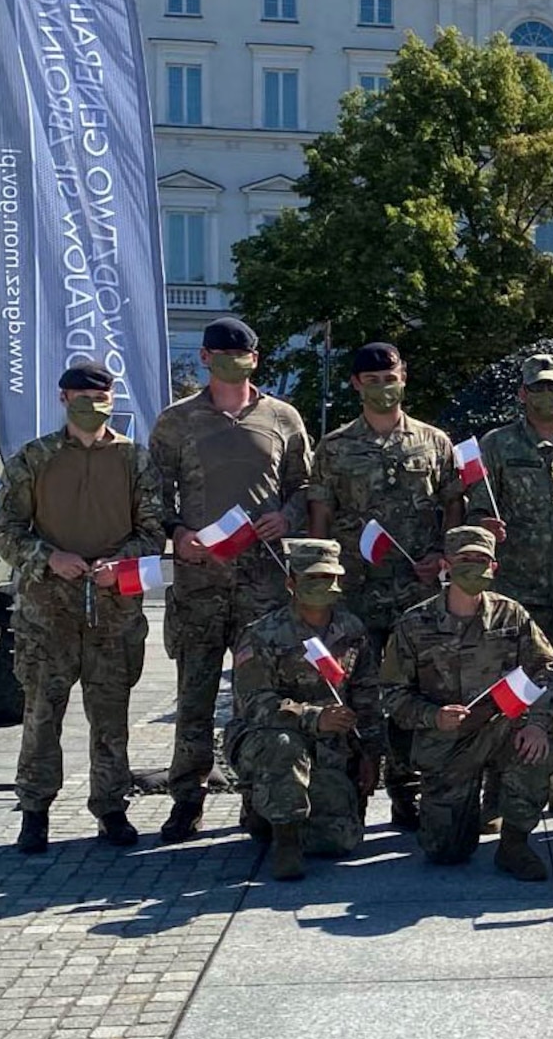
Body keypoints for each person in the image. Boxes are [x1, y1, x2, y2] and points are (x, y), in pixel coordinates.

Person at [149, 316, 313, 843]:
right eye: (221, 352)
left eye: (241, 353)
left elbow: (306, 486)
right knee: (194, 697)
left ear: (255, 359)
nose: (231, 360)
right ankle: (186, 800)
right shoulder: (177, 422)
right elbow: (153, 493)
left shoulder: (283, 418)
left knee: (257, 696)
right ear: (204, 358)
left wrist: (287, 516)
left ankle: (257, 800)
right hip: (199, 581)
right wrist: (176, 531)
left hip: (262, 583)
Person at [0, 363, 164, 853]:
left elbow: (154, 530)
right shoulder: (34, 458)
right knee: (42, 713)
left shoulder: (135, 459)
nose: (92, 404)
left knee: (110, 715)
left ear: (112, 399)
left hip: (114, 608)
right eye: (81, 396)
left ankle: (111, 808)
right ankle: (35, 811)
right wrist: (50, 558)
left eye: (101, 396)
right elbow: (4, 531)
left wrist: (122, 562)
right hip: (48, 611)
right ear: (64, 399)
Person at [307, 341, 460, 832]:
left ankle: (407, 791)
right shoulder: (334, 448)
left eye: (389, 378)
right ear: (356, 385)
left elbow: (452, 507)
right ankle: (350, 791)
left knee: (415, 693)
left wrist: (442, 554)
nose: (382, 388)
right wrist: (319, 583)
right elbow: (320, 520)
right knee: (356, 696)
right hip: (357, 595)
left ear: (404, 377)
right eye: (371, 381)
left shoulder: (434, 443)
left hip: (417, 599)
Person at [465, 352, 553, 818]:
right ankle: (498, 792)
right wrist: (485, 524)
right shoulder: (498, 446)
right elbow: (473, 513)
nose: (547, 395)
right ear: (523, 394)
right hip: (515, 594)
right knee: (508, 690)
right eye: (538, 388)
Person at [381, 526, 553, 880]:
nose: (474, 567)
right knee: (445, 851)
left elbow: (548, 672)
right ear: (447, 565)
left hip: (499, 728)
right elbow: (392, 693)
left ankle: (514, 843)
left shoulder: (511, 616)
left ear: (494, 567)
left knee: (539, 750)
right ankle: (465, 811)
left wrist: (537, 723)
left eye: (482, 560)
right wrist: (433, 716)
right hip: (446, 742)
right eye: (465, 560)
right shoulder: (414, 624)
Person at [226, 539, 382, 881]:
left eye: (328, 578)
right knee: (284, 745)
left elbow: (367, 698)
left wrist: (370, 755)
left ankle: (271, 813)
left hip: (331, 745)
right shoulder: (262, 635)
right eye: (310, 578)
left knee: (339, 841)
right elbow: (253, 703)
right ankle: (285, 839)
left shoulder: (352, 631)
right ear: (291, 583)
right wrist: (314, 717)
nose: (321, 586)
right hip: (269, 738)